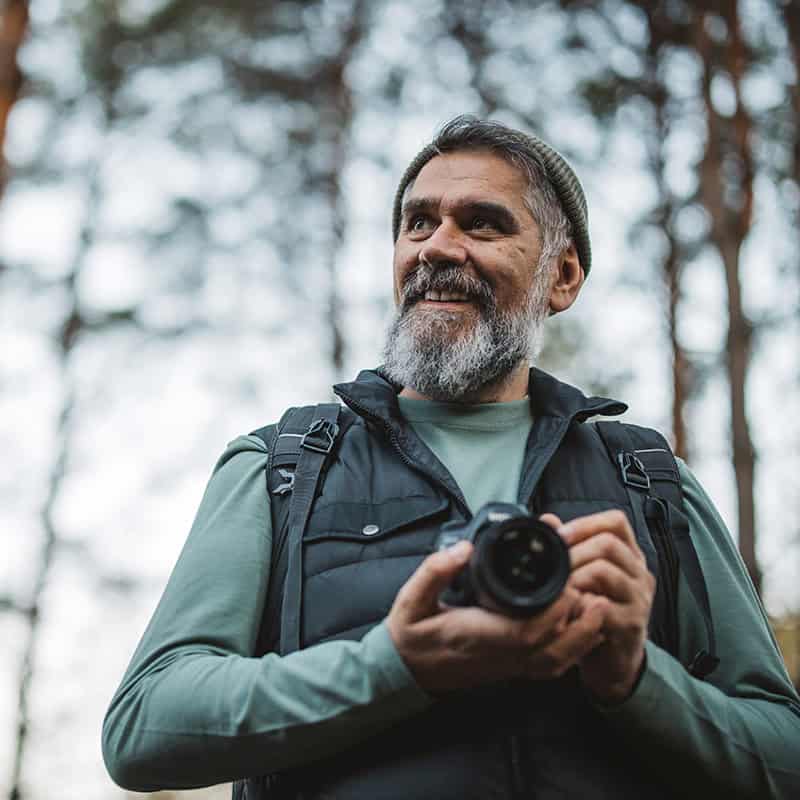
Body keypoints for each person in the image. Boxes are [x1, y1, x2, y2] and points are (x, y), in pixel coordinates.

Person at [102, 116, 800, 799]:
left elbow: (784, 752)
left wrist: (638, 681)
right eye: (417, 223)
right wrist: (394, 666)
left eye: (483, 224)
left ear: (562, 277)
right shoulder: (283, 466)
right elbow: (144, 725)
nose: (436, 247)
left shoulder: (649, 477)